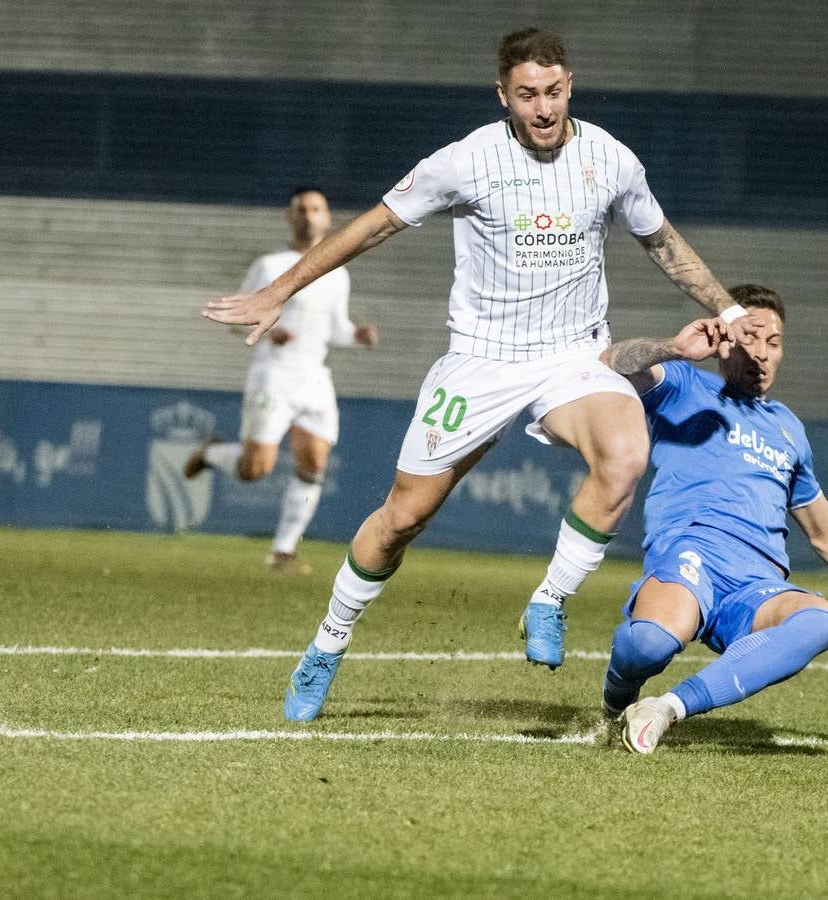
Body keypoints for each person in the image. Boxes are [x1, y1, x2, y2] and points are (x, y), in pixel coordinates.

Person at [204, 28, 758, 722]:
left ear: (569, 87)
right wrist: (279, 289)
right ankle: (328, 642)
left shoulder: (611, 160)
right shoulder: (465, 161)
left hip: (572, 357)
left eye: (553, 92)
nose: (543, 108)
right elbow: (372, 225)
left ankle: (548, 601)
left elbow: (663, 242)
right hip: (481, 361)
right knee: (403, 518)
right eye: (527, 95)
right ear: (503, 96)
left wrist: (730, 309)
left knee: (624, 454)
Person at [598, 284, 828, 754]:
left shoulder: (788, 429)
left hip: (756, 584)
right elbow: (609, 363)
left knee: (822, 623)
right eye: (750, 337)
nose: (762, 353)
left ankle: (668, 708)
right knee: (649, 645)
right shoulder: (683, 384)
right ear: (725, 339)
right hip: (692, 555)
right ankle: (616, 698)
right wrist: (674, 348)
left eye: (773, 342)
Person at [185, 187, 379, 575]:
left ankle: (283, 552)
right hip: (274, 375)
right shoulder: (269, 265)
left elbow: (334, 329)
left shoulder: (337, 273)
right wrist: (269, 332)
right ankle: (212, 453)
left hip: (314, 377)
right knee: (254, 470)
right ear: (289, 217)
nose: (308, 215)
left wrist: (356, 335)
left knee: (315, 462)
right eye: (300, 209)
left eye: (316, 208)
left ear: (328, 217)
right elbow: (237, 317)